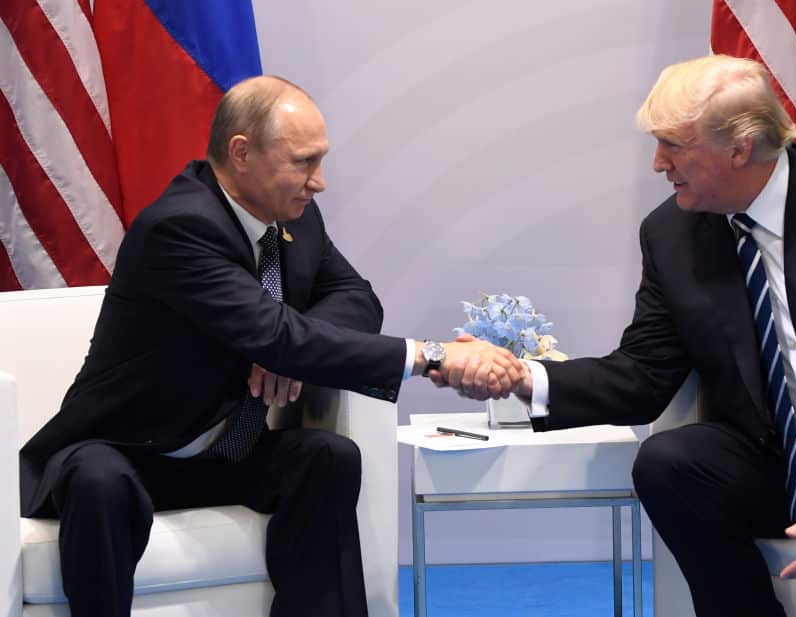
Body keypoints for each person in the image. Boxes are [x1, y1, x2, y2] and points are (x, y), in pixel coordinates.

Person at [446, 55, 796, 616]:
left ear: (740, 148)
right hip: (781, 456)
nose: (657, 163)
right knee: (669, 462)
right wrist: (524, 379)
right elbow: (644, 373)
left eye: (673, 144)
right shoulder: (671, 234)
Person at [19, 75, 522, 617]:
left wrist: (285, 350)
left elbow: (357, 299)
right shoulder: (180, 226)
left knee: (328, 456)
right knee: (100, 479)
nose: (319, 181)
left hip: (223, 453)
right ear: (241, 152)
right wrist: (434, 355)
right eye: (304, 161)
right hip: (126, 452)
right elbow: (279, 335)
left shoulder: (294, 221)